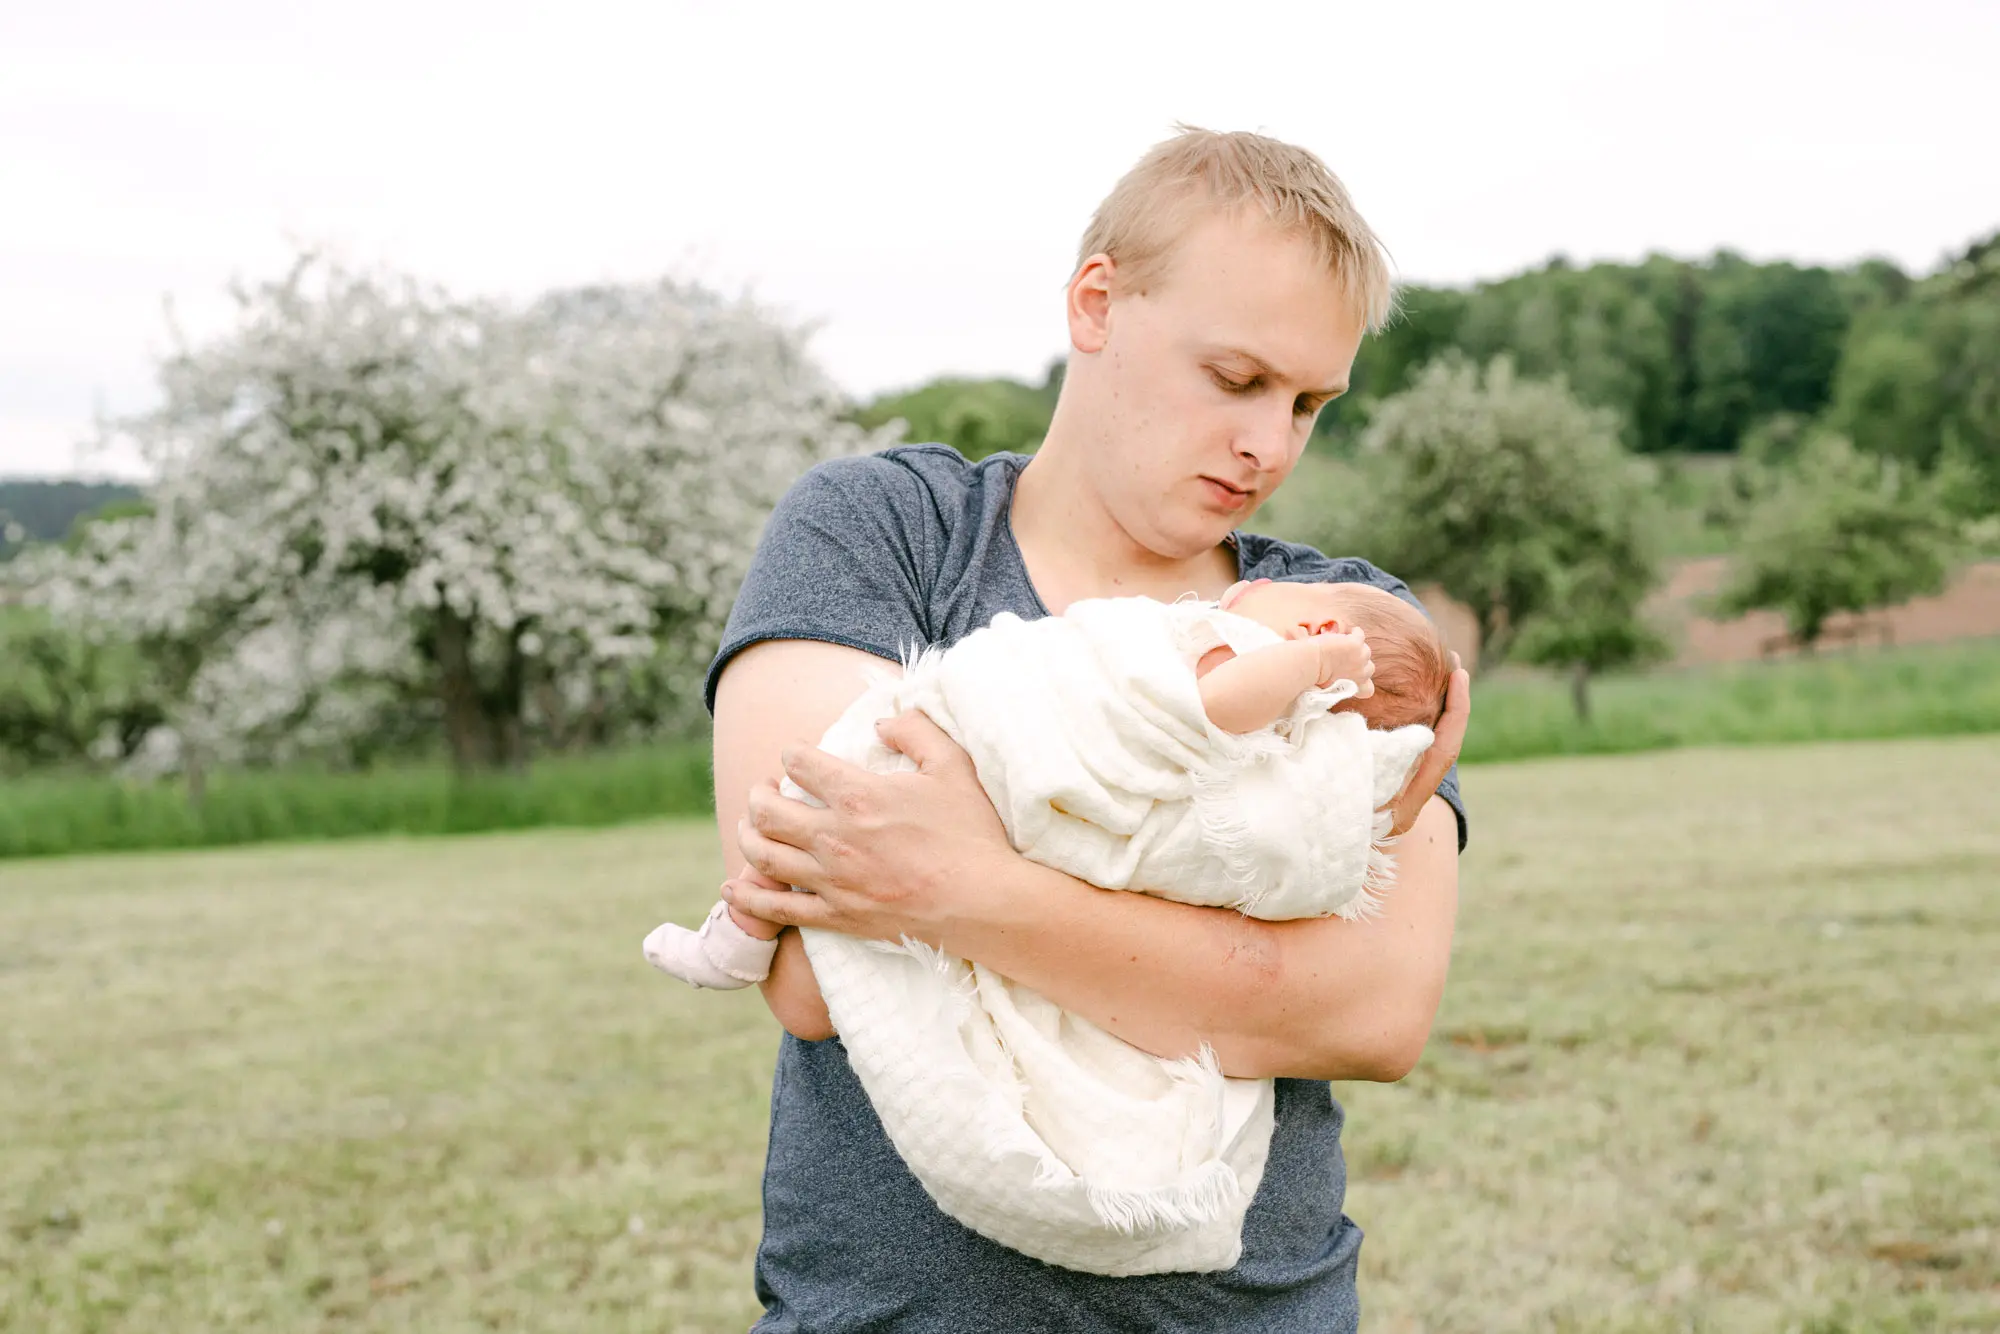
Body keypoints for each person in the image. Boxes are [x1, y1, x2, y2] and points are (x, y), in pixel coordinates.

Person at [703, 126, 1470, 1332]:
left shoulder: (1340, 629)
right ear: (1096, 301)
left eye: (1309, 402)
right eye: (1235, 379)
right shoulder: (882, 535)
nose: (1268, 445)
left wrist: (950, 878)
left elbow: (1369, 1010)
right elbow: (808, 970)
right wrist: (1223, 952)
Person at [647, 577, 1449, 989]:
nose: (1260, 586)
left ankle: (738, 935)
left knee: (831, 798)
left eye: (1295, 596)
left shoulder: (1251, 650)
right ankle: (741, 931)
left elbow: (1213, 709)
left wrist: (1309, 666)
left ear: (1316, 629)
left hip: (1024, 752)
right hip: (1024, 728)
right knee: (833, 812)